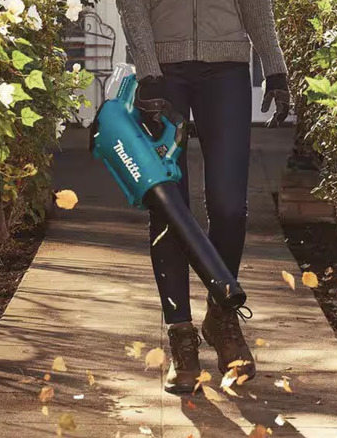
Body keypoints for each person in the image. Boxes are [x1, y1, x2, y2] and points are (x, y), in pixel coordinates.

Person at [116, 0, 290, 394]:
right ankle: (181, 335)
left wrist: (275, 67)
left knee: (230, 206)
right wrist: (147, 70)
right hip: (162, 71)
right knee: (168, 207)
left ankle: (221, 314)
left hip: (226, 69)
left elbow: (255, 5)